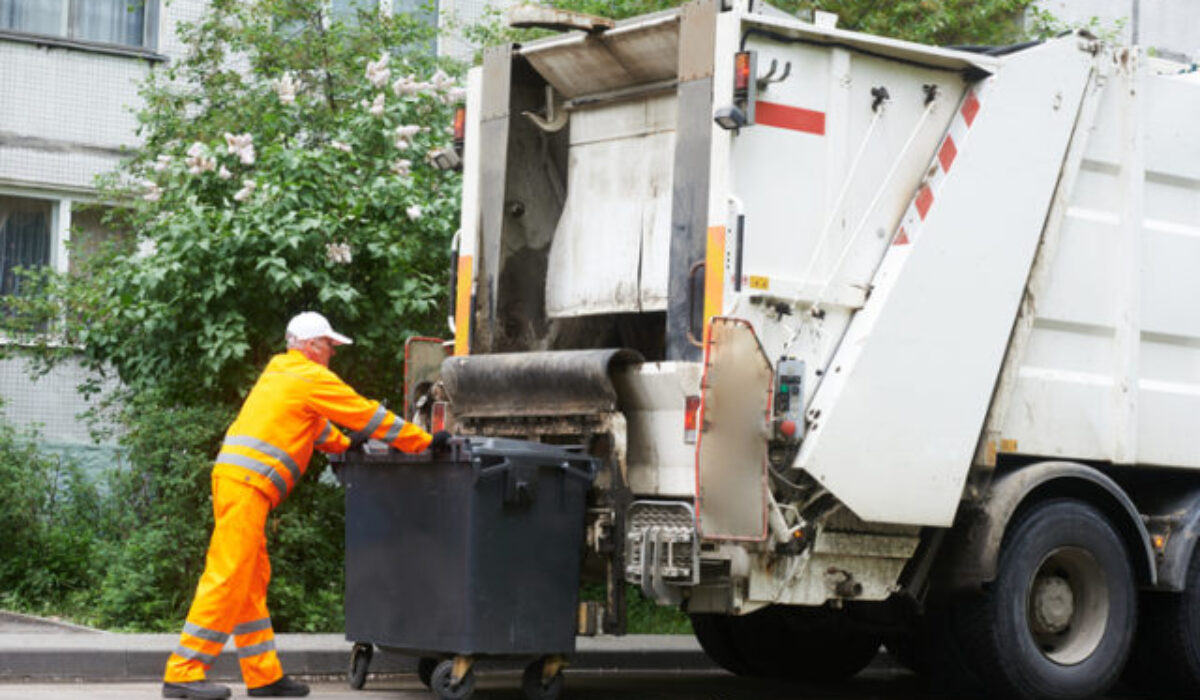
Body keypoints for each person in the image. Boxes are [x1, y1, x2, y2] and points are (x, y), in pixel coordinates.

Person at [163, 311, 449, 699]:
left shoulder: (283, 373)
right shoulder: (308, 376)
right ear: (312, 345)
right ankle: (183, 672)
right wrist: (423, 440)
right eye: (329, 345)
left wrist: (346, 445)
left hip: (239, 484)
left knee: (249, 582)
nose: (332, 353)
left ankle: (263, 677)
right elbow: (365, 412)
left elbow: (312, 425)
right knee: (229, 576)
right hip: (246, 486)